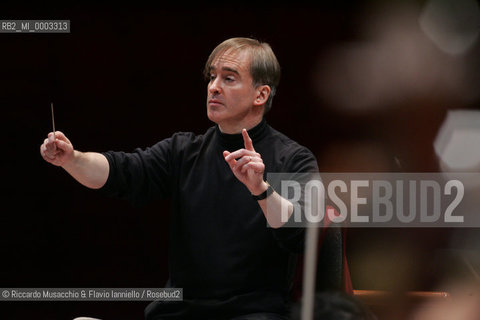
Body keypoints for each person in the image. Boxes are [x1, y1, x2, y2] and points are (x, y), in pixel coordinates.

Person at [40, 37, 319, 319]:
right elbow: (122, 171)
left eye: (229, 78)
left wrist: (260, 188)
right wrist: (72, 159)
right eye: (212, 77)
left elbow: (301, 235)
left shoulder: (293, 159)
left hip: (251, 313)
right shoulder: (183, 151)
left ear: (260, 95)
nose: (213, 87)